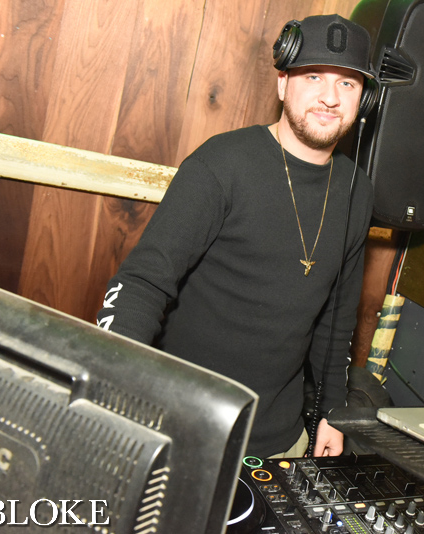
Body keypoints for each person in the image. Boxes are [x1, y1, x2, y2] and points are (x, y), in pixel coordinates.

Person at [96, 14, 375, 459]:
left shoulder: (359, 191)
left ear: (364, 99)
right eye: (313, 76)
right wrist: (112, 393)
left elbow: (337, 319)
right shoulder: (221, 164)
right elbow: (142, 284)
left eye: (347, 83)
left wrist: (332, 413)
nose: (330, 97)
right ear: (283, 84)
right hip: (180, 432)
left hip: (281, 441)